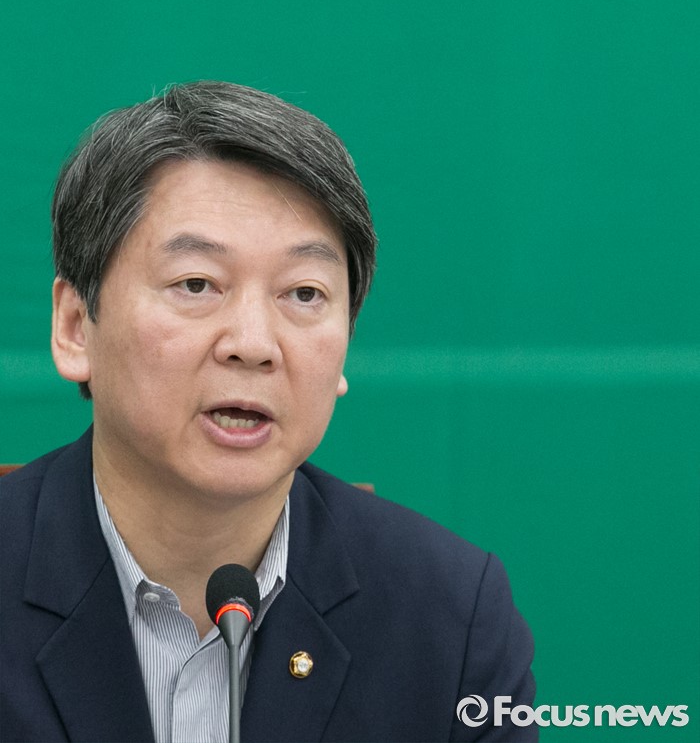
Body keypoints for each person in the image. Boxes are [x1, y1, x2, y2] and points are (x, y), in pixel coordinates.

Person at [0, 81, 536, 742]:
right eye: (197, 283)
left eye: (303, 293)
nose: (253, 344)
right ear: (75, 327)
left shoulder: (449, 617)